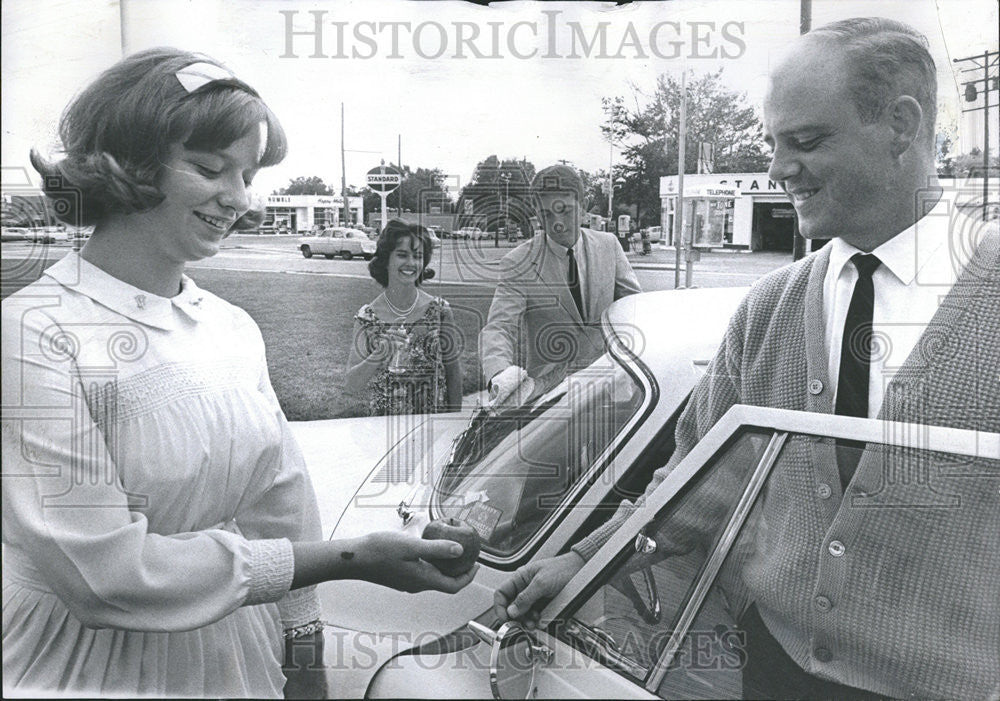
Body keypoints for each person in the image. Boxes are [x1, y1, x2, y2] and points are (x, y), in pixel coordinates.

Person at [493, 18, 999, 700]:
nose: (776, 168)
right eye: (772, 143)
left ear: (901, 127)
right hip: (771, 672)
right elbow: (693, 481)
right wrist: (584, 560)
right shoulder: (768, 308)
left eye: (806, 140)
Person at [1, 48, 475, 699]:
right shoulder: (33, 328)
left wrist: (303, 639)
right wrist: (357, 557)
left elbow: (280, 499)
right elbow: (102, 574)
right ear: (128, 164)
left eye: (246, 173)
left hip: (233, 653)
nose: (240, 198)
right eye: (210, 168)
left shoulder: (231, 327)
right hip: (79, 663)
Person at [479, 164, 641, 404]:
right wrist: (500, 373)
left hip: (613, 385)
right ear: (536, 211)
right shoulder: (518, 262)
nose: (557, 224)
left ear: (583, 206)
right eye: (546, 215)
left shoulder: (609, 245)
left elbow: (634, 306)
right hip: (551, 394)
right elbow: (499, 326)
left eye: (565, 211)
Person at [345, 220, 463, 415]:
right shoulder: (367, 318)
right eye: (402, 255)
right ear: (386, 259)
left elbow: (453, 375)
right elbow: (351, 385)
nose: (411, 263)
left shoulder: (440, 311)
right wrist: (379, 354)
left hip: (432, 425)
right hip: (384, 429)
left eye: (418, 256)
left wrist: (454, 424)